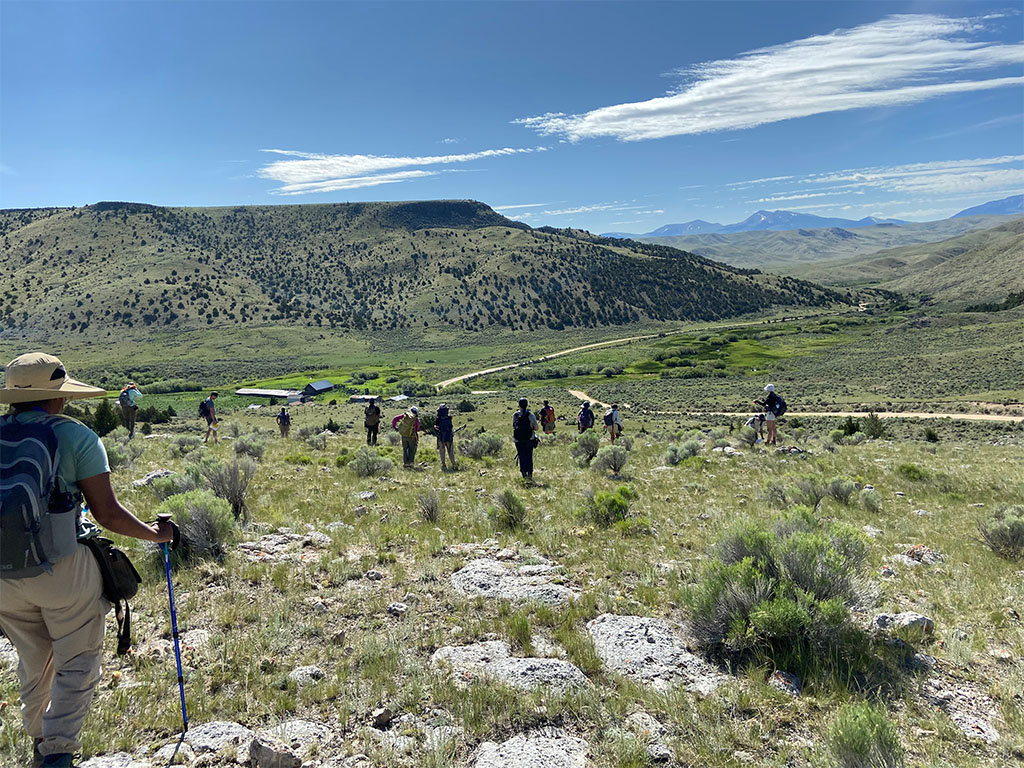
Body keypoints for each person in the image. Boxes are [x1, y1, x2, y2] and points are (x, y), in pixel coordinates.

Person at [0, 353, 175, 768]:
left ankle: (38, 739)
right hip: (62, 567)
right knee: (77, 661)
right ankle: (57, 753)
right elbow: (107, 514)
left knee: (33, 658)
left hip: (3, 574)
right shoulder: (76, 437)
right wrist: (155, 534)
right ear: (57, 396)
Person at [512, 397, 538, 480]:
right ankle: (530, 474)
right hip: (529, 439)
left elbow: (514, 426)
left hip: (518, 440)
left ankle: (523, 473)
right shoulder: (530, 415)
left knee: (521, 456)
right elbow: (536, 428)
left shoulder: (515, 415)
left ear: (519, 405)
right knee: (529, 456)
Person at [435, 403, 457, 471]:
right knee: (450, 452)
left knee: (442, 452)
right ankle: (454, 464)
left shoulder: (438, 419)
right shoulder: (449, 418)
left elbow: (436, 427)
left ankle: (443, 465)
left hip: (441, 437)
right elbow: (451, 427)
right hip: (449, 437)